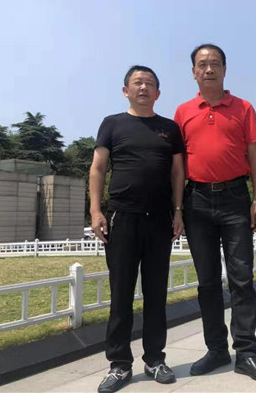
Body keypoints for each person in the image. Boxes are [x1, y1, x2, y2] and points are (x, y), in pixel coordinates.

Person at [174, 44, 256, 383]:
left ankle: (246, 352)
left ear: (225, 70)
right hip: (197, 201)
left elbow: (255, 154)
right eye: (202, 64)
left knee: (242, 278)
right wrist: (177, 208)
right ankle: (216, 349)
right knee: (206, 282)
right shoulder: (183, 112)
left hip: (235, 199)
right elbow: (177, 166)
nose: (209, 69)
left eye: (215, 63)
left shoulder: (243, 108)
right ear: (193, 72)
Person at [90, 65, 185, 393]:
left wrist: (178, 211)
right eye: (137, 83)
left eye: (150, 84)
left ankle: (155, 359)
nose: (143, 88)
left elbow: (178, 173)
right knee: (121, 295)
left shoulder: (169, 128)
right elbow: (98, 168)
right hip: (122, 218)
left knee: (157, 294)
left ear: (158, 93)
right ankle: (119, 364)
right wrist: (96, 210)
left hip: (159, 219)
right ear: (126, 90)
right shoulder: (112, 124)